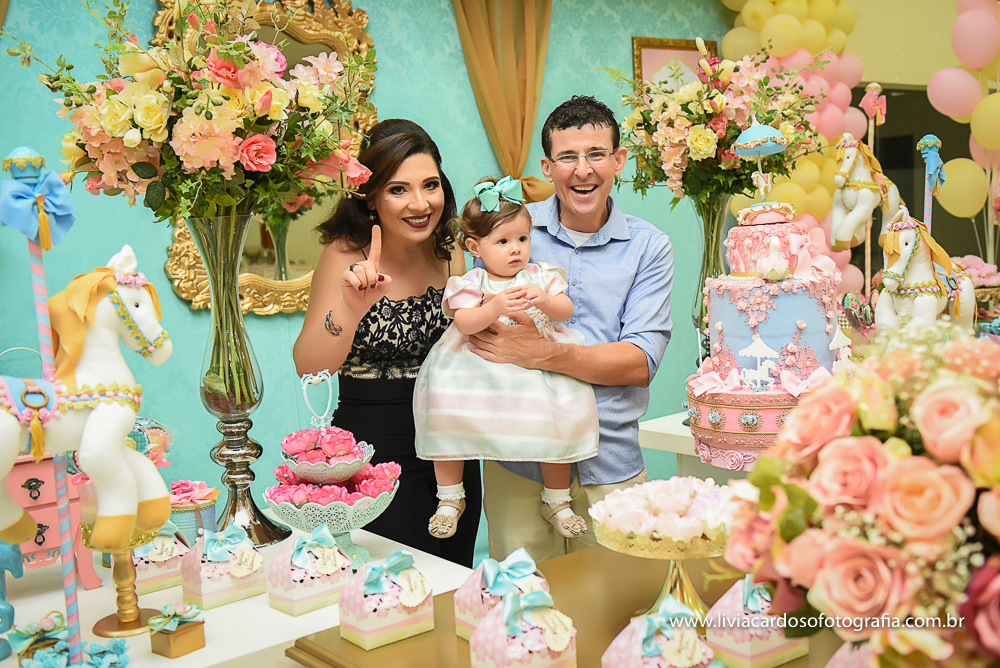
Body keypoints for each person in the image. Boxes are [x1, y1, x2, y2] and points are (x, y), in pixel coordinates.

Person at [468, 96, 674, 562]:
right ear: (547, 166)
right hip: (517, 458)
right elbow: (484, 339)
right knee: (520, 597)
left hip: (610, 459)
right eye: (567, 157)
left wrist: (541, 353)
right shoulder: (508, 233)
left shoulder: (649, 247)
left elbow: (639, 363)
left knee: (618, 599)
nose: (583, 170)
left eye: (596, 154)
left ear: (618, 160)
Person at [293, 119, 481, 567]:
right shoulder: (344, 253)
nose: (421, 204)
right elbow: (308, 366)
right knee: (394, 584)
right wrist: (350, 309)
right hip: (376, 450)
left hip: (451, 448)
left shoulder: (449, 248)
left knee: (454, 574)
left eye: (430, 185)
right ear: (370, 196)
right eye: (399, 190)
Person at [413, 176, 599, 542]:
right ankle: (450, 497)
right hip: (476, 364)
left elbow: (565, 310)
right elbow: (464, 322)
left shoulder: (539, 276)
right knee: (445, 408)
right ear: (474, 246)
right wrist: (494, 306)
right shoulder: (473, 281)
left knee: (556, 420)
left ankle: (557, 500)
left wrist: (546, 301)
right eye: (503, 241)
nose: (516, 250)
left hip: (537, 364)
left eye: (522, 239)